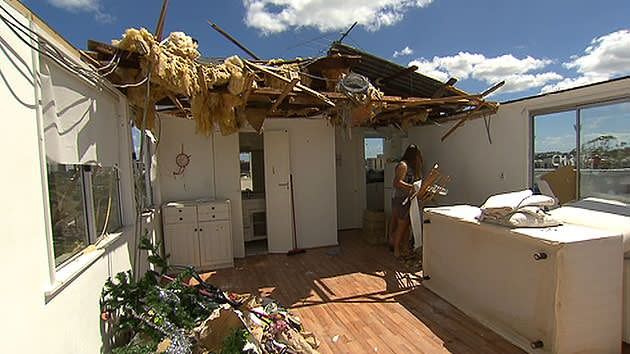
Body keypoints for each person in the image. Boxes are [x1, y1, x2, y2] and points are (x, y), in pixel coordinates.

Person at [389, 144, 423, 258]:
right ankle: (396, 249)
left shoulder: (412, 167)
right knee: (402, 225)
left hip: (408, 199)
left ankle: (404, 248)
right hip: (400, 199)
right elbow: (397, 182)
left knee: (407, 224)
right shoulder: (403, 165)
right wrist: (412, 187)